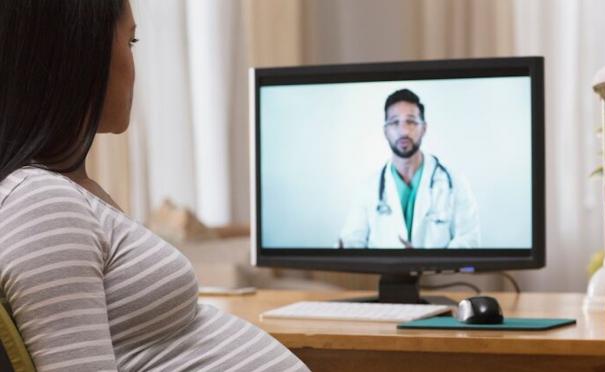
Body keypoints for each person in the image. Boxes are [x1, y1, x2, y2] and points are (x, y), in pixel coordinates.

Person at [0, 1, 308, 371]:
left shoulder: (61, 191)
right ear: (80, 55)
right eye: (131, 42)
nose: (135, 65)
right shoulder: (40, 205)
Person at [339, 89, 480, 249]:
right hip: (384, 273)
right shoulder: (368, 187)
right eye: (394, 122)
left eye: (411, 122)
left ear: (424, 128)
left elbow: (469, 240)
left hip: (436, 274)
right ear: (385, 131)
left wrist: (426, 262)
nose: (403, 131)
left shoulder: (455, 182)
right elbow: (352, 240)